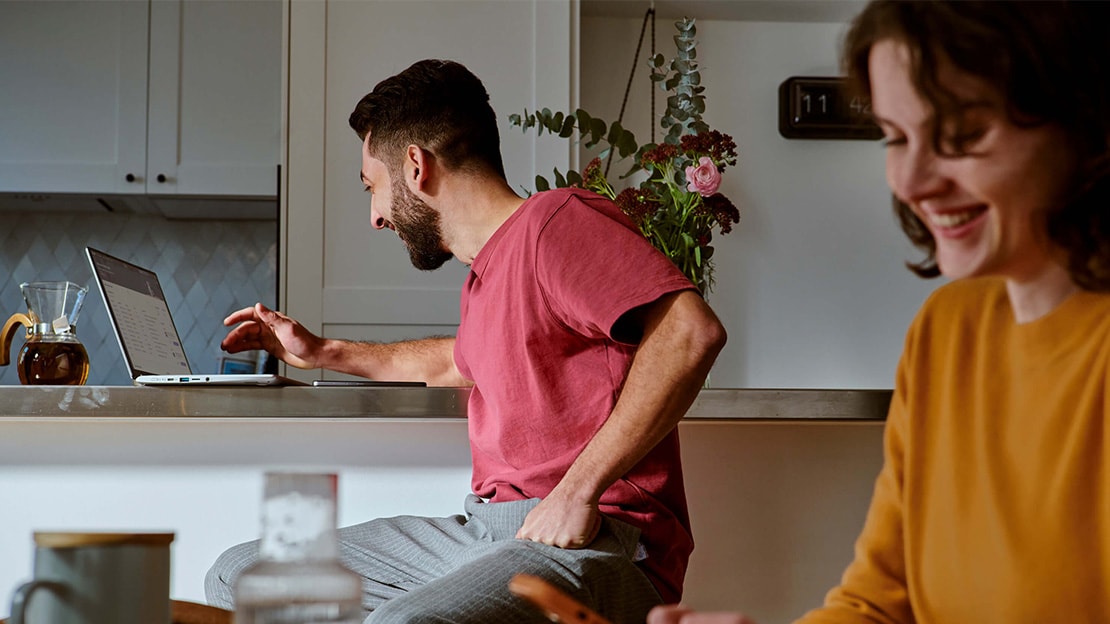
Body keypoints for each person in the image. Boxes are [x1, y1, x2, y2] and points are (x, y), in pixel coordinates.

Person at [204, 59, 727, 624]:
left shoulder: (555, 223)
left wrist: (576, 493)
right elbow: (455, 363)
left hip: (593, 537)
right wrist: (322, 352)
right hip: (486, 530)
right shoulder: (485, 275)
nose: (375, 217)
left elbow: (689, 332)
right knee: (240, 576)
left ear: (416, 166)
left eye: (372, 187)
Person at [648, 1, 1110, 623]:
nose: (912, 181)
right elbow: (879, 599)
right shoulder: (948, 329)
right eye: (896, 137)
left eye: (963, 136)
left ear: (1086, 124)